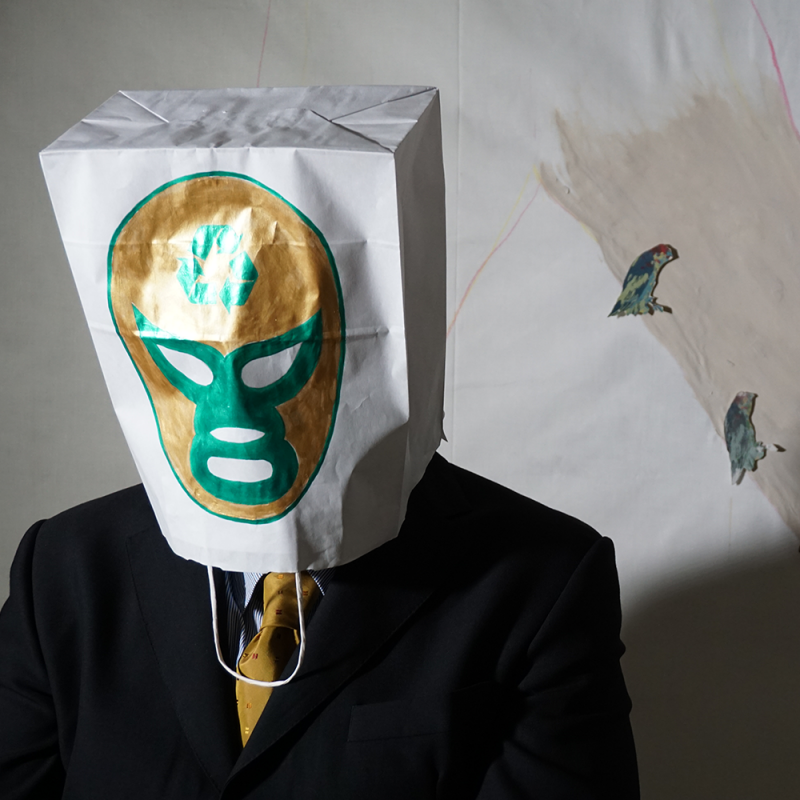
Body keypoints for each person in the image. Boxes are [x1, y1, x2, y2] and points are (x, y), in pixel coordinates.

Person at [0, 87, 639, 798]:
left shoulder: (541, 584)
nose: (232, 413)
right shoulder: (62, 573)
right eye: (186, 361)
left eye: (276, 358)